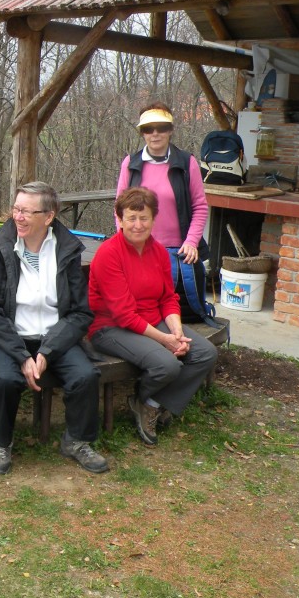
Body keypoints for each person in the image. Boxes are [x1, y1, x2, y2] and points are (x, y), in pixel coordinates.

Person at [0, 182, 108, 475]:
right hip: (8, 336)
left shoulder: (66, 249)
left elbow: (81, 312)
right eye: (17, 209)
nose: (19, 217)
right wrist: (22, 356)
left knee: (85, 375)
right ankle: (2, 441)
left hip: (54, 335)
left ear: (49, 216)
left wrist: (47, 351)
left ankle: (76, 441)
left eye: (29, 212)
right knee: (3, 379)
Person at [88, 187, 217, 446]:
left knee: (205, 353)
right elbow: (124, 315)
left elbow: (168, 298)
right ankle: (148, 399)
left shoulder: (158, 251)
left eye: (144, 218)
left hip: (152, 320)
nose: (138, 225)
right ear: (120, 220)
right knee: (166, 364)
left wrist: (177, 331)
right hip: (111, 327)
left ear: (153, 219)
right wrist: (166, 340)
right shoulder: (108, 254)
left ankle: (150, 402)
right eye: (131, 218)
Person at [115, 102, 208, 266]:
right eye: (149, 128)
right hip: (139, 249)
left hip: (179, 252)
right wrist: (124, 241)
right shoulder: (130, 164)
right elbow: (119, 209)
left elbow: (199, 207)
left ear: (170, 130)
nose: (155, 134)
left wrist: (191, 242)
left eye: (162, 127)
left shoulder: (187, 163)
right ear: (142, 133)